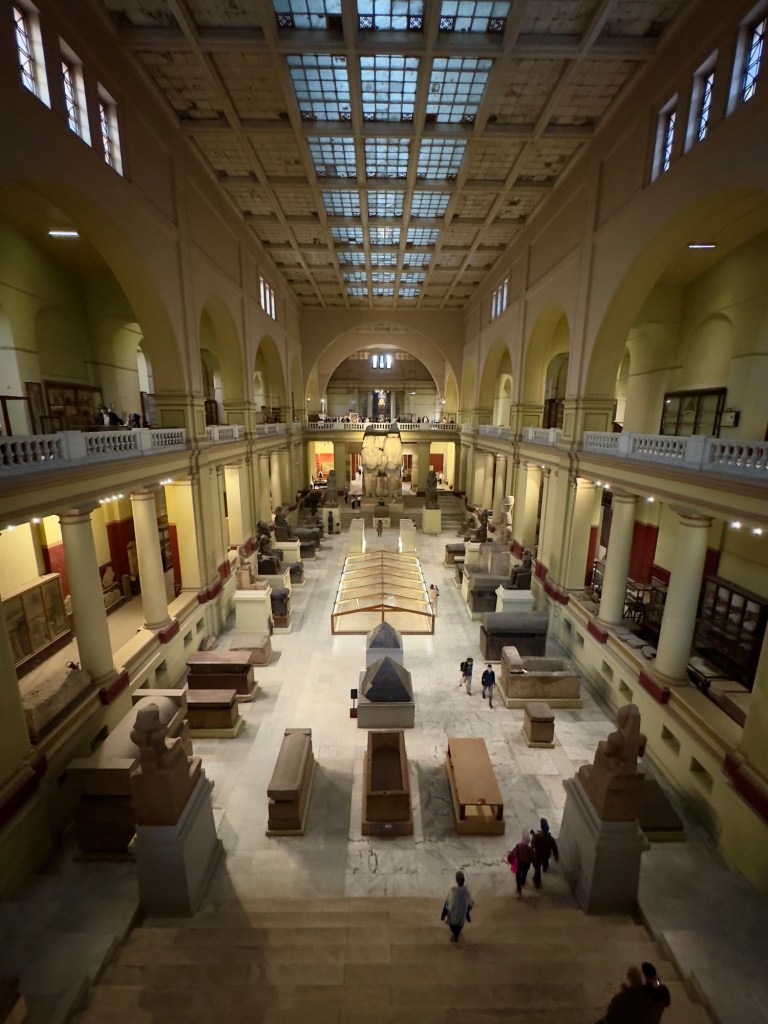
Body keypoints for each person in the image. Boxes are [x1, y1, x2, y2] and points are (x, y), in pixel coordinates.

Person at [441, 870, 473, 943]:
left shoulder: (453, 892)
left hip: (453, 916)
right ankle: (456, 935)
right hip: (462, 916)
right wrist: (467, 913)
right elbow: (470, 904)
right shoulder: (467, 891)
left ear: (456, 880)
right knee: (459, 927)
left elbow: (447, 905)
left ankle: (454, 936)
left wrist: (443, 915)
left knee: (453, 927)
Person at [530, 818, 559, 888]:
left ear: (541, 827)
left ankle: (537, 882)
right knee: (545, 862)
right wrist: (556, 856)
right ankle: (545, 868)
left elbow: (533, 845)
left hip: (538, 855)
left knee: (537, 869)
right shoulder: (551, 839)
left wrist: (533, 836)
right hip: (546, 855)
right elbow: (554, 848)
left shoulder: (537, 836)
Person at [506, 829, 533, 898]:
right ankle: (523, 883)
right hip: (526, 864)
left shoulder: (518, 846)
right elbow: (531, 857)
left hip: (520, 863)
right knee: (524, 874)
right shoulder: (530, 848)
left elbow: (516, 854)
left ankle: (519, 890)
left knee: (518, 875)